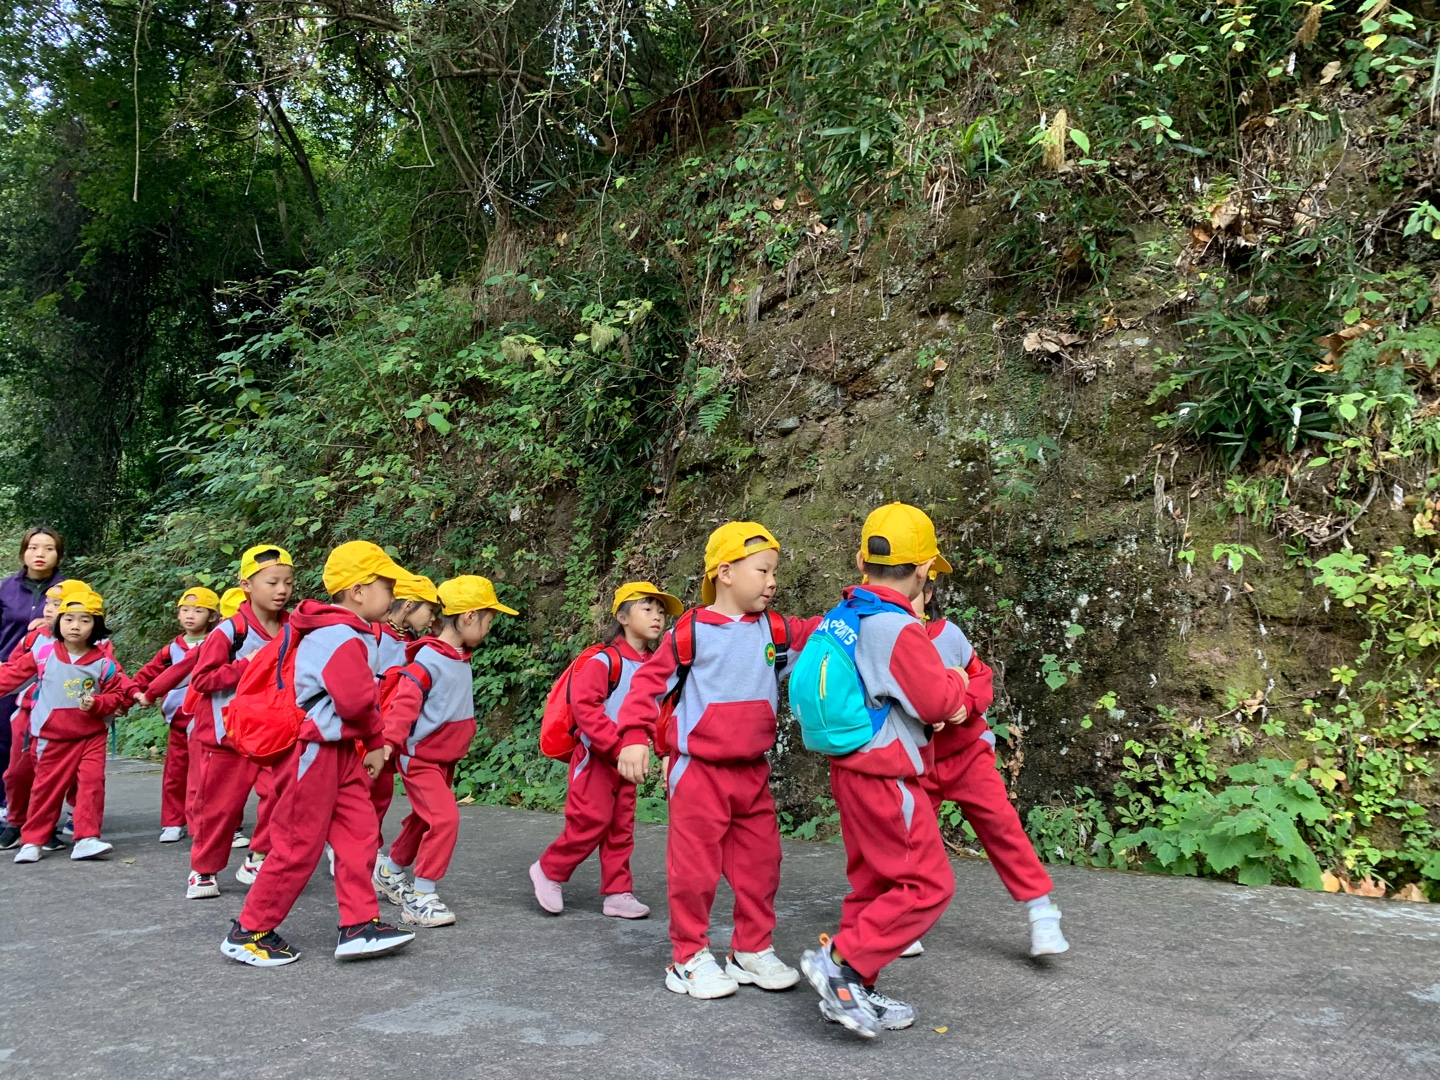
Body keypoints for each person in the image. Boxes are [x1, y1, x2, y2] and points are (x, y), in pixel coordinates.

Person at [616, 523, 819, 999]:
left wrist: (865, 604)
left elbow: (824, 632)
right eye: (762, 571)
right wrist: (633, 737)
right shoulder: (689, 633)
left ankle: (751, 949)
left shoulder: (776, 630)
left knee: (762, 864)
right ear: (725, 573)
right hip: (698, 771)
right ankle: (688, 957)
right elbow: (646, 685)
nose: (772, 581)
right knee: (694, 870)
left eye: (774, 572)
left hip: (751, 771)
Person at [799, 502, 971, 1039]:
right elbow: (937, 702)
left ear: (861, 561)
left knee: (873, 883)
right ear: (923, 569)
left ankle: (852, 988)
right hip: (887, 775)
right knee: (927, 883)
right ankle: (841, 964)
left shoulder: (845, 615)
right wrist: (959, 680)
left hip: (850, 770)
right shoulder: (897, 628)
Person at [222, 540, 416, 967]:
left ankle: (359, 925)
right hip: (311, 752)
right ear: (358, 591)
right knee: (297, 844)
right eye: (387, 586)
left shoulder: (343, 631)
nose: (394, 595)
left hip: (336, 749)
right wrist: (377, 740)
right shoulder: (339, 635)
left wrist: (369, 742)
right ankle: (249, 932)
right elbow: (356, 702)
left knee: (359, 832)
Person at [912, 576, 1068, 958]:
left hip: (968, 755)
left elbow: (980, 675)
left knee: (1002, 826)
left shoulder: (948, 635)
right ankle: (903, 918)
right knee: (909, 837)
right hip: (916, 762)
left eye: (911, 592)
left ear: (928, 594)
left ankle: (1041, 911)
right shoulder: (884, 638)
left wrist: (966, 703)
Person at [530, 581, 681, 919]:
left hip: (627, 764)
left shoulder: (656, 666)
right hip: (596, 759)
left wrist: (662, 752)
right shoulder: (604, 660)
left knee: (621, 829)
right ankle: (549, 870)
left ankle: (618, 893)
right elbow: (585, 707)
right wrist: (617, 746)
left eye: (660, 612)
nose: (657, 617)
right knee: (590, 821)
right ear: (622, 617)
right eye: (647, 609)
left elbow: (659, 714)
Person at [374, 575, 514, 927]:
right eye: (488, 620)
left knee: (424, 819)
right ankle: (421, 896)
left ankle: (390, 871)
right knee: (445, 819)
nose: (489, 628)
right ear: (469, 616)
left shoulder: (458, 655)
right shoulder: (428, 660)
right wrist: (388, 744)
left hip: (442, 758)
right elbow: (403, 706)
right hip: (420, 757)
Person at [184, 546, 294, 899]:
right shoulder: (230, 632)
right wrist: (248, 665)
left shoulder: (293, 627)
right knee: (219, 808)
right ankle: (203, 870)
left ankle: (257, 857)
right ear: (246, 585)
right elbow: (202, 679)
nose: (281, 590)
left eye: (288, 583)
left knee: (280, 796)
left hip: (272, 735)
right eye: (272, 583)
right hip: (226, 736)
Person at [1, 587, 135, 863]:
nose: (75, 626)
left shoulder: (104, 663)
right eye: (69, 619)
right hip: (51, 737)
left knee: (91, 785)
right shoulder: (42, 654)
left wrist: (98, 703)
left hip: (91, 736)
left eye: (85, 620)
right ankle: (33, 841)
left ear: (96, 626)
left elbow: (117, 695)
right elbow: (10, 677)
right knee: (45, 789)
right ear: (58, 622)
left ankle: (87, 838)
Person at [132, 587, 221, 843]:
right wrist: (132, 692)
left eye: (198, 611)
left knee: (203, 775)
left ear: (212, 616)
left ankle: (201, 822)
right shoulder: (171, 650)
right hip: (178, 721)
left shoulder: (218, 641)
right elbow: (148, 673)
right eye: (185, 610)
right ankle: (172, 822)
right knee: (175, 774)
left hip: (207, 721)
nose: (190, 615)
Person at [0, 581, 82, 849]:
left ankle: (45, 828)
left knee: (50, 777)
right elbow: (11, 670)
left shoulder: (89, 645)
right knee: (17, 773)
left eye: (57, 605)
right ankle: (15, 821)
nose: (49, 609)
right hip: (27, 714)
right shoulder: (34, 638)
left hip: (65, 717)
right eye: (48, 603)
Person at [370, 572, 440, 843]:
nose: (432, 619)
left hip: (391, 724)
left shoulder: (412, 639)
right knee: (363, 787)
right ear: (409, 605)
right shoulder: (373, 632)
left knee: (382, 791)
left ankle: (368, 846)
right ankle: (349, 846)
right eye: (430, 611)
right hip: (367, 723)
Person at [0, 527, 66, 815]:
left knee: (45, 744)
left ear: (58, 555)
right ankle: (6, 805)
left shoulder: (70, 590)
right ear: (23, 552)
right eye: (33, 547)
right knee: (4, 739)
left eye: (48, 548)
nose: (40, 554)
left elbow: (87, 627)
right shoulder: (5, 588)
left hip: (52, 675)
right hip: (8, 673)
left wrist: (53, 625)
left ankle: (42, 809)